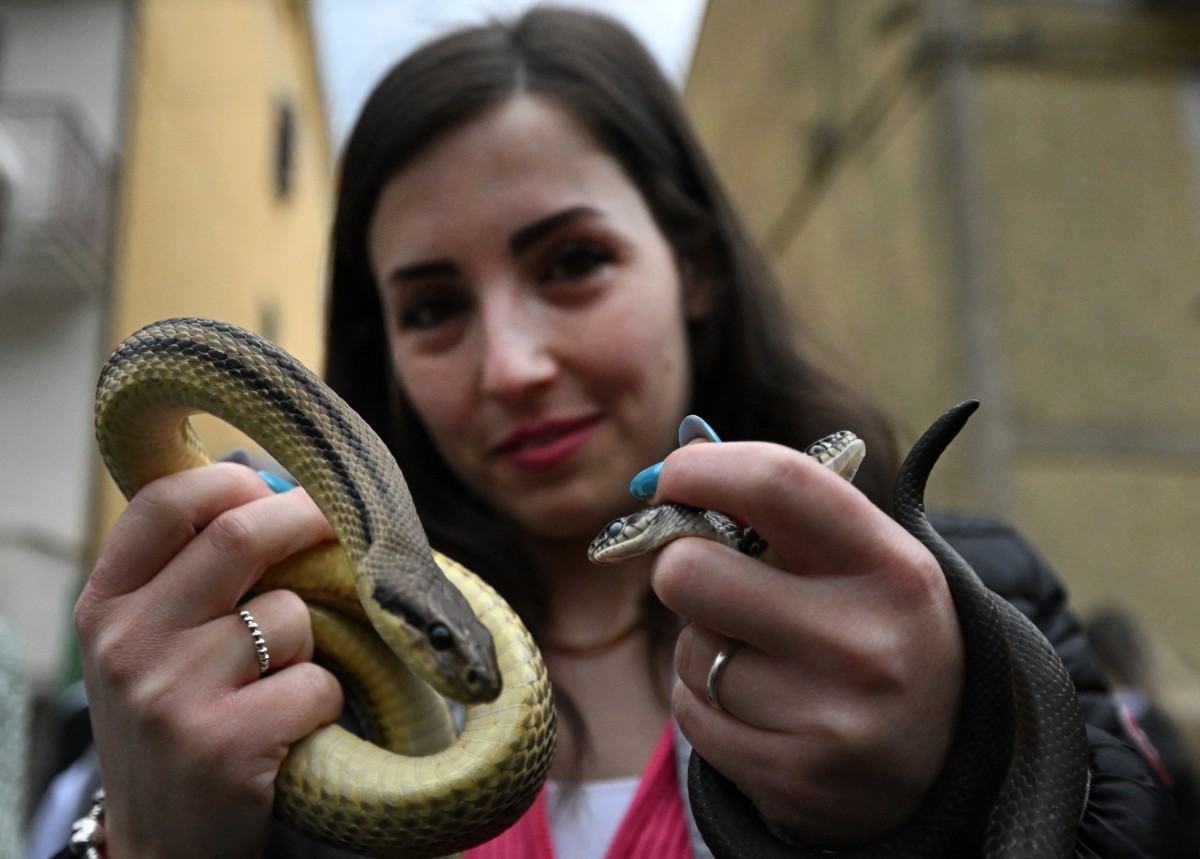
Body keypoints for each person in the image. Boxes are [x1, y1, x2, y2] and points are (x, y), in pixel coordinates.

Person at [41, 6, 1193, 858]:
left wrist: (952, 780)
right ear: (378, 343)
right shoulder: (252, 659)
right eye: (434, 307)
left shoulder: (964, 600)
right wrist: (141, 840)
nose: (514, 365)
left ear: (690, 265)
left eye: (574, 263)